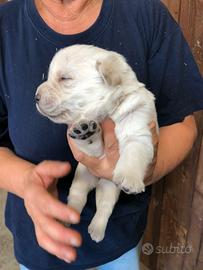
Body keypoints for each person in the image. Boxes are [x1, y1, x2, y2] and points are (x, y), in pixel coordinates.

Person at [0, 0, 202, 269]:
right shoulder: (6, 25)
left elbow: (183, 123)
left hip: (119, 242)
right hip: (39, 244)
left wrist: (145, 166)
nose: (40, 93)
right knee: (82, 185)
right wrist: (26, 182)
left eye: (64, 80)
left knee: (105, 190)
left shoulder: (144, 13)